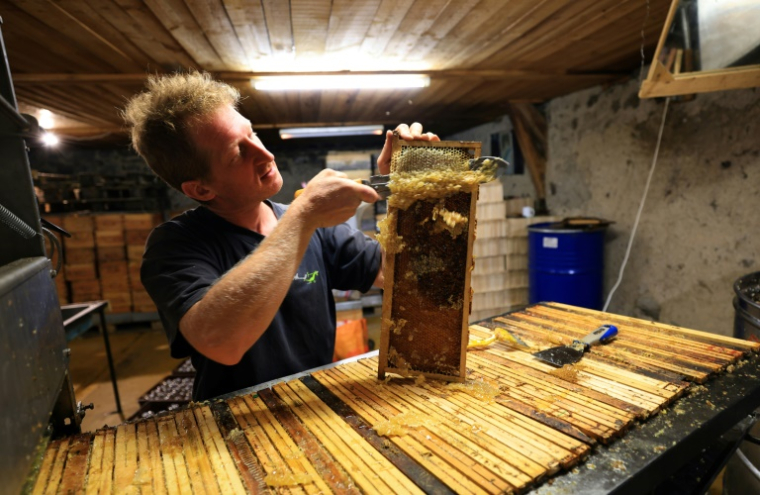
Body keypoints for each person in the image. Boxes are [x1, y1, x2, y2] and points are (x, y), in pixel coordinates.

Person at [123, 72, 439, 400]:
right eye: (236, 153)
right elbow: (221, 342)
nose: (264, 155)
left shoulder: (310, 223)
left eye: (252, 134)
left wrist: (410, 196)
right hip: (235, 428)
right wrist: (303, 218)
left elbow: (402, 274)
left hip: (313, 408)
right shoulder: (175, 245)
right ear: (201, 189)